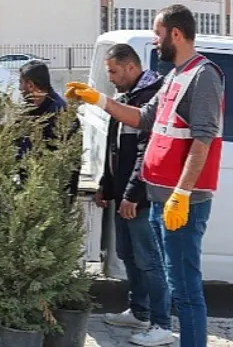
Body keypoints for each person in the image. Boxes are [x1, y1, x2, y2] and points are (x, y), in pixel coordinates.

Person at [66, 4, 224, 347]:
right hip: (158, 196)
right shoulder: (174, 77)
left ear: (176, 34)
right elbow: (143, 118)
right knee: (171, 277)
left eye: (158, 34)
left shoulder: (204, 75)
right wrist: (98, 99)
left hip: (180, 201)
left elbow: (203, 138)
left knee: (185, 287)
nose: (155, 42)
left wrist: (182, 193)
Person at [95, 44, 174, 346]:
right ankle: (139, 310)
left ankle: (161, 323)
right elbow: (113, 146)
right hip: (123, 196)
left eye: (114, 72)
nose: (111, 78)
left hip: (140, 198)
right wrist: (107, 183)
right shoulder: (123, 99)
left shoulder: (152, 98)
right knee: (128, 254)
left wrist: (132, 195)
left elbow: (148, 154)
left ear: (130, 67)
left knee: (150, 260)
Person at [16, 60, 79, 200]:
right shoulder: (26, 109)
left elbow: (69, 160)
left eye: (21, 83)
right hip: (28, 191)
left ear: (31, 85)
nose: (20, 89)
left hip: (51, 194)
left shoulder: (60, 113)